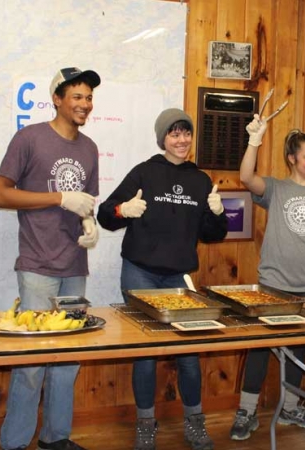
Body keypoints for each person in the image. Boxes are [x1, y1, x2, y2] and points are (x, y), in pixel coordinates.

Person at [97, 108, 227, 450]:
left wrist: (217, 213)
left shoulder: (200, 180)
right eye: (174, 133)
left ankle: (195, 423)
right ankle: (145, 424)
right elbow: (105, 215)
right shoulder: (144, 173)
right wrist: (122, 211)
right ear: (162, 138)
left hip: (178, 277)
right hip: (139, 272)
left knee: (189, 352)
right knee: (145, 352)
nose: (182, 140)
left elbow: (214, 235)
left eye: (186, 133)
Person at [0, 67, 101, 450]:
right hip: (37, 265)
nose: (84, 104)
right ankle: (15, 444)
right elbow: (0, 195)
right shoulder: (30, 138)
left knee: (68, 359)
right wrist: (58, 198)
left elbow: (86, 201)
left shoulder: (89, 148)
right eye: (77, 96)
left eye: (88, 97)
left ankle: (56, 439)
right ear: (57, 98)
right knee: (31, 362)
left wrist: (90, 223)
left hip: (74, 268)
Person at [229, 115, 305, 441]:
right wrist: (254, 140)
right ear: (292, 159)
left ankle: (291, 407)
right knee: (259, 348)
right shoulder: (276, 189)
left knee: (297, 350)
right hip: (272, 284)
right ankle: (247, 411)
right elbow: (245, 177)